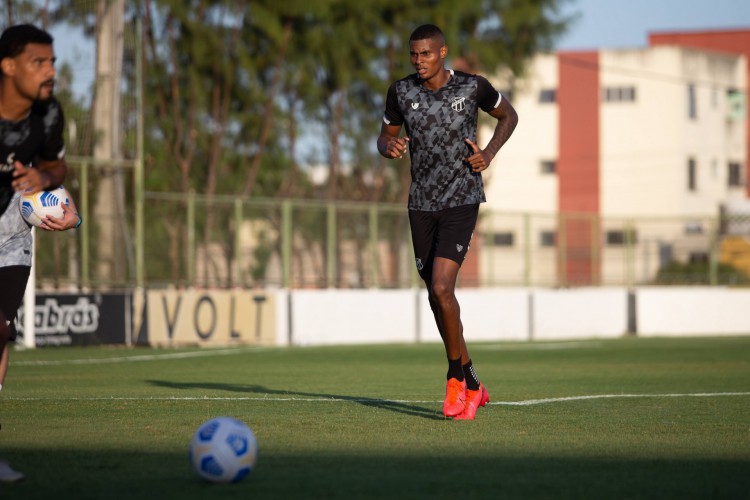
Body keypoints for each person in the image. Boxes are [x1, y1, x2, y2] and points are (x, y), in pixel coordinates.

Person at [377, 24, 518, 420]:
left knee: (442, 286)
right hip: (421, 204)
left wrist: (488, 154)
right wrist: (389, 146)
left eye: (425, 54)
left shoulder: (473, 87)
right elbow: (384, 135)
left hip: (462, 198)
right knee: (437, 297)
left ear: (442, 52)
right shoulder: (400, 92)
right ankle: (474, 383)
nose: (418, 61)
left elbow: (509, 115)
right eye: (413, 55)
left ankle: (455, 380)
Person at [0, 24, 81, 483]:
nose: (51, 70)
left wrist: (52, 190)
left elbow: (55, 166)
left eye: (52, 61)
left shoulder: (48, 115)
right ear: (8, 67)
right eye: (39, 62)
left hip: (10, 243)